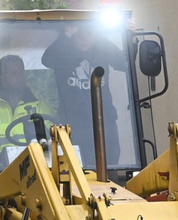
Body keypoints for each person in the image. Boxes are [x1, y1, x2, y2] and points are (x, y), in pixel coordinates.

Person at [41, 24, 127, 163]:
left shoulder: (102, 50)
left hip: (104, 122)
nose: (84, 38)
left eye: (89, 33)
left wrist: (129, 34)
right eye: (79, 33)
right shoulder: (63, 53)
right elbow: (47, 60)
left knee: (110, 167)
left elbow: (123, 64)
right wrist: (66, 34)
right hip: (73, 125)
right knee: (76, 168)